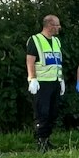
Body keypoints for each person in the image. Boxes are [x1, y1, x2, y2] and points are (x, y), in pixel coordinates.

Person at [25, 14, 66, 150]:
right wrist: (32, 78)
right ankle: (40, 141)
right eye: (57, 25)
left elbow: (57, 62)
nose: (59, 28)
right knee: (42, 113)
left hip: (54, 81)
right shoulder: (35, 40)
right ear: (49, 26)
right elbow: (30, 60)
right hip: (41, 83)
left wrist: (61, 80)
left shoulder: (56, 41)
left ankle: (47, 139)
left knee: (52, 113)